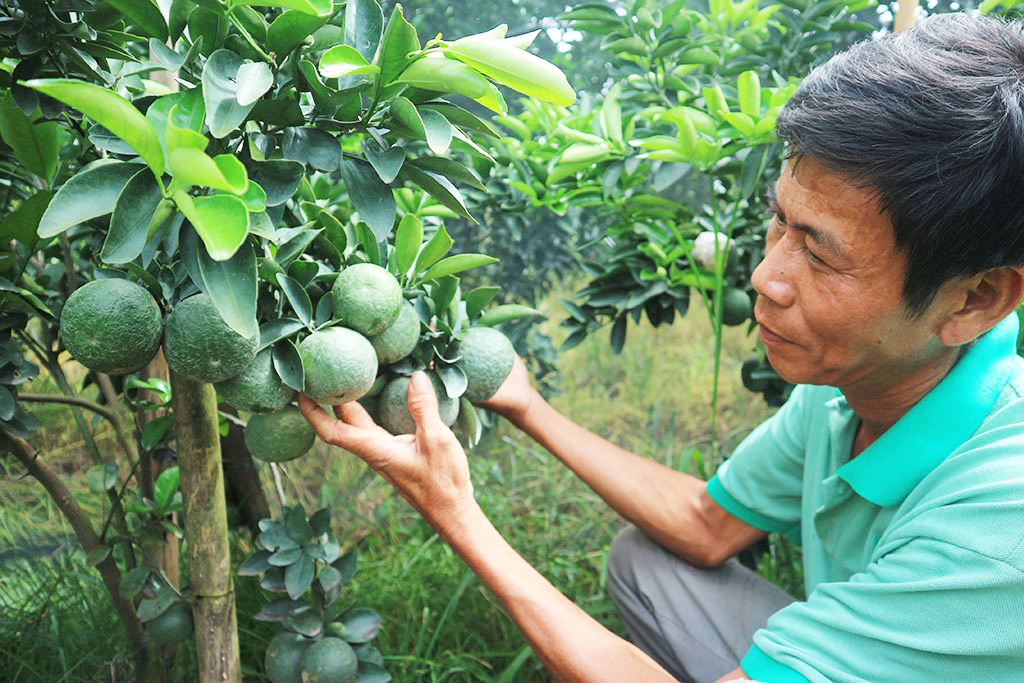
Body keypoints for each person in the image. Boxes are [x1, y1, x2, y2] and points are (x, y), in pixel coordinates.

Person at [299, 13, 1024, 682]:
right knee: (649, 561)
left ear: (975, 298)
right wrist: (530, 406)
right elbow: (710, 524)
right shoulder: (856, 382)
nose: (764, 277)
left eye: (822, 255)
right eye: (780, 221)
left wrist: (452, 506)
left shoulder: (998, 526)